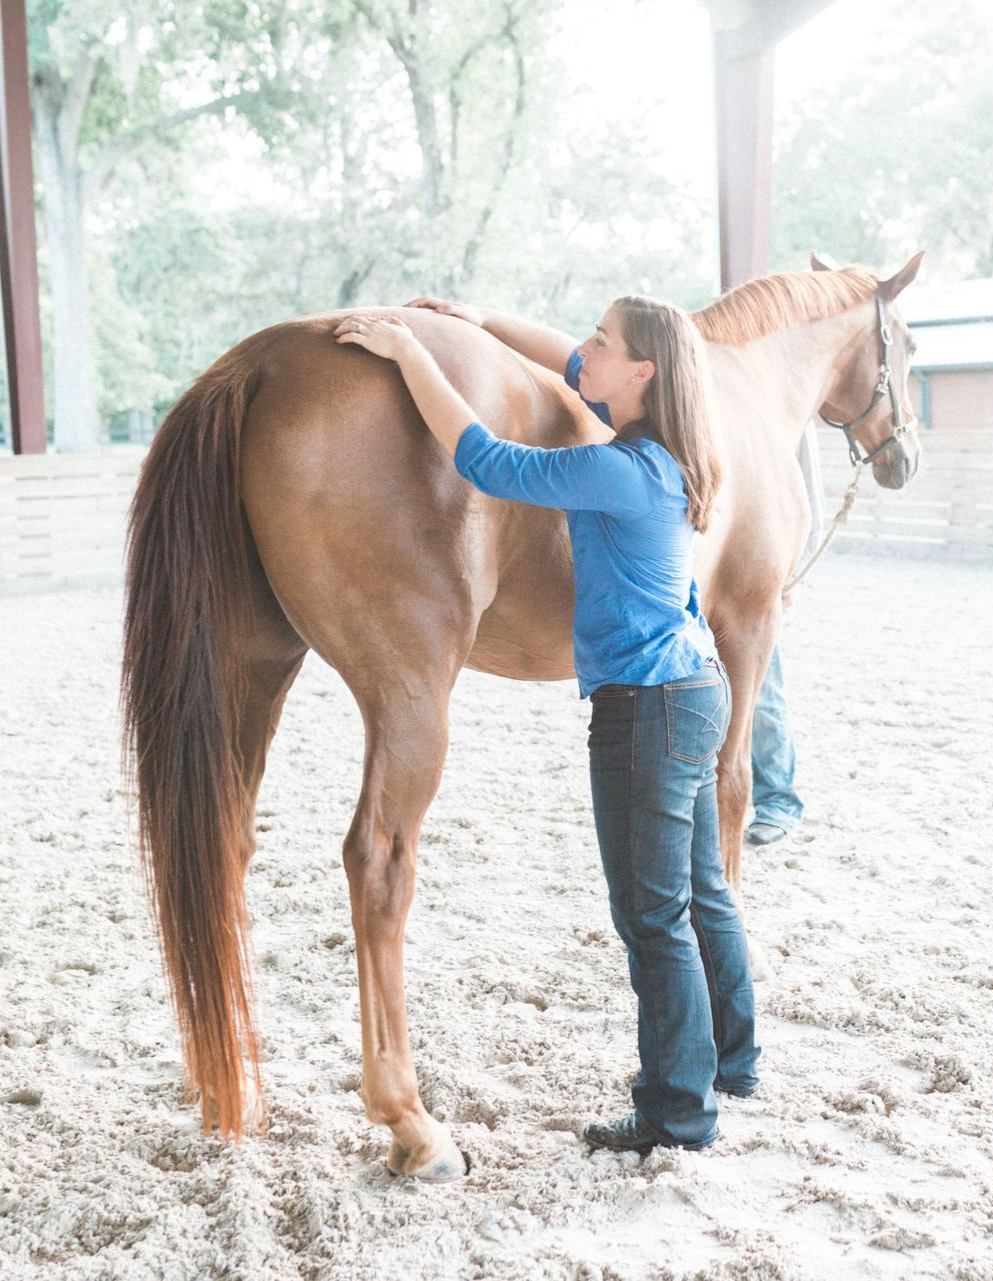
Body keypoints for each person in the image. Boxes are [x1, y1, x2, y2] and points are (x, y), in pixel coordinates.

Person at [333, 296, 760, 1155]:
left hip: (646, 706)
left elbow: (487, 461)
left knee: (652, 915)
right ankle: (735, 1059)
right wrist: (483, 319)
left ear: (640, 374)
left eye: (602, 344)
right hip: (690, 690)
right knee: (700, 890)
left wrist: (411, 350)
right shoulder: (669, 444)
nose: (582, 353)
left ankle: (676, 1110)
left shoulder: (621, 469)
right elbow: (563, 360)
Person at [745, 425, 824, 847]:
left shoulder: (792, 416)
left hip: (762, 575)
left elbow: (810, 502)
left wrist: (791, 578)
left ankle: (778, 802)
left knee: (763, 695)